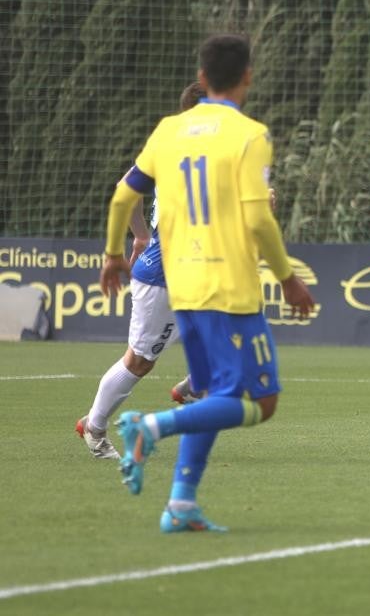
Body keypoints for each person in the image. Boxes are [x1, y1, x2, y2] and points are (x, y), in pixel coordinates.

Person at [99, 34, 314, 532]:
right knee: (261, 403)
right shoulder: (249, 134)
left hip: (184, 285)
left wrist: (114, 253)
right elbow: (259, 221)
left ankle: (181, 503)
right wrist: (288, 278)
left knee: (213, 393)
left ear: (201, 79)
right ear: (247, 78)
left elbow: (120, 196)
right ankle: (149, 426)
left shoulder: (168, 131)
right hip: (229, 286)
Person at [76, 83, 204, 460]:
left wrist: (139, 237)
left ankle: (194, 387)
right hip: (166, 273)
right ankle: (94, 428)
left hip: (201, 270)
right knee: (140, 360)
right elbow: (123, 191)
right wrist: (137, 240)